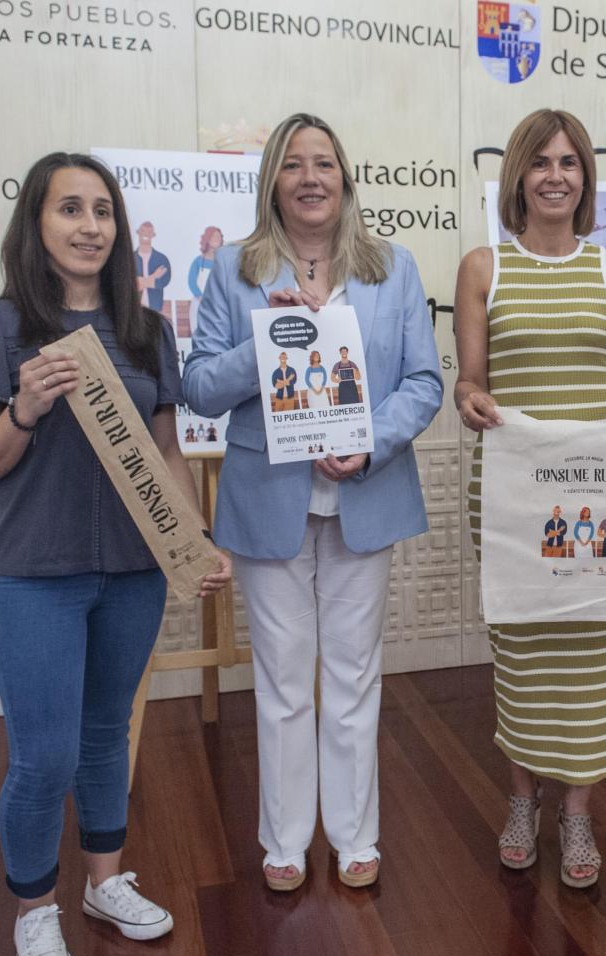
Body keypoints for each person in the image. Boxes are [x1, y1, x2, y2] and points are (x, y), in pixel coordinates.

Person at [0, 152, 232, 956]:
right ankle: (35, 910)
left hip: (134, 574)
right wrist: (25, 410)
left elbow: (168, 452)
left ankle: (105, 884)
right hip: (35, 575)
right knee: (43, 756)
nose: (89, 227)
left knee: (106, 736)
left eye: (102, 211)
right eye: (70, 209)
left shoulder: (144, 332)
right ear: (36, 222)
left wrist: (193, 538)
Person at [184, 112, 441, 894]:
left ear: (345, 177)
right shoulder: (235, 271)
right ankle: (287, 840)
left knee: (356, 676)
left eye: (323, 162)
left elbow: (426, 383)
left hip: (364, 493)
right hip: (270, 502)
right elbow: (197, 386)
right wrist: (267, 339)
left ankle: (356, 834)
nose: (309, 177)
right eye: (292, 164)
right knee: (285, 680)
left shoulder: (392, 269)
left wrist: (372, 442)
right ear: (273, 181)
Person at [454, 107, 606, 890]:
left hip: (598, 499)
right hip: (512, 497)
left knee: (597, 657)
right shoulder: (481, 268)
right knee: (522, 655)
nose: (556, 175)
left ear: (585, 178)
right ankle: (524, 801)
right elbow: (470, 382)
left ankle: (581, 813)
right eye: (541, 162)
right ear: (518, 175)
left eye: (570, 163)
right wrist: (468, 400)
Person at [133, 221, 170, 312]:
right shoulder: (129, 259)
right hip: (133, 309)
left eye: (149, 232)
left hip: (155, 308)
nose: (146, 234)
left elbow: (164, 281)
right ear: (138, 233)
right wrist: (154, 277)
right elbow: (129, 283)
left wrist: (140, 282)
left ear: (153, 235)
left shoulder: (161, 259)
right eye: (143, 231)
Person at [187, 226, 224, 300]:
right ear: (207, 239)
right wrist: (200, 297)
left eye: (219, 237)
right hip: (200, 302)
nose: (217, 239)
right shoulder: (198, 261)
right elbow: (191, 282)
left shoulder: (223, 262)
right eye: (214, 236)